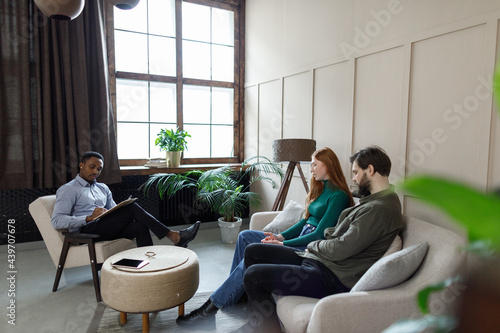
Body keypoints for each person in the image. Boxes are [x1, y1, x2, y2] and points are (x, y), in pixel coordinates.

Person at [176, 147, 354, 329]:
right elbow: (304, 223)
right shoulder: (320, 189)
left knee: (253, 253)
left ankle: (210, 309)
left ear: (329, 165)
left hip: (306, 249)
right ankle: (237, 296)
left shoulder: (338, 196)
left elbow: (317, 234)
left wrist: (283, 243)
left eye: (316, 164)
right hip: (300, 237)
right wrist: (279, 235)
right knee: (245, 236)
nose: (311, 169)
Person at [232, 146, 403, 333]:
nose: (353, 178)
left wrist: (313, 245)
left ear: (370, 170)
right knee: (254, 250)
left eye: (355, 172)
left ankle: (267, 329)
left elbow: (341, 248)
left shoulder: (378, 210)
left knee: (254, 275)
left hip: (332, 276)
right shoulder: (377, 202)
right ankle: (257, 322)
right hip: (320, 261)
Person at [52, 151, 200, 248]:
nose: (95, 172)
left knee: (139, 226)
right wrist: (88, 218)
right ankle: (173, 236)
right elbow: (57, 221)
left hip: (105, 227)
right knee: (131, 208)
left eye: (99, 169)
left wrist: (121, 210)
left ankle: (149, 266)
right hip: (87, 231)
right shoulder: (69, 189)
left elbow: (114, 210)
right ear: (81, 165)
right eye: (92, 167)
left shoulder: (102, 187)